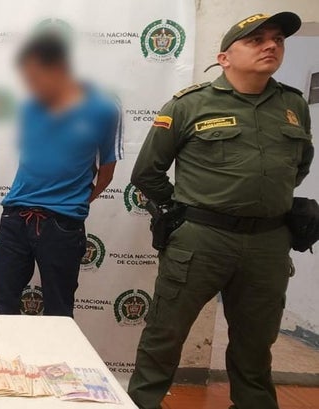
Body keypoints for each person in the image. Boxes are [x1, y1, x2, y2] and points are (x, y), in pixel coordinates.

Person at [128, 12, 313, 409]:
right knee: (165, 334)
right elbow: (147, 173)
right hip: (201, 240)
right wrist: (182, 210)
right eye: (256, 40)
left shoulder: (294, 105)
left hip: (268, 243)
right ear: (224, 58)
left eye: (277, 39)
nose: (271, 45)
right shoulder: (189, 105)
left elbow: (299, 166)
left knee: (256, 342)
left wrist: (259, 197)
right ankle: (143, 402)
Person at [0, 33, 123, 317]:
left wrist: (77, 200)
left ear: (60, 68)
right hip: (15, 217)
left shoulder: (103, 110)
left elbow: (107, 170)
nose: (31, 85)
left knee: (59, 312)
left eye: (36, 77)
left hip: (62, 225)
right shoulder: (28, 108)